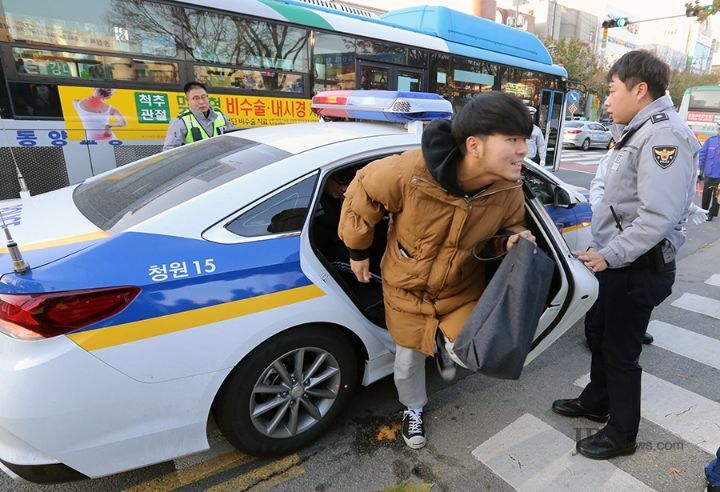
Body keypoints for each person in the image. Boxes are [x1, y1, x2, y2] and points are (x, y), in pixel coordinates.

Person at [338, 91, 536, 450]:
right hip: (406, 287)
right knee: (407, 361)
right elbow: (364, 189)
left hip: (461, 287)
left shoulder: (508, 189)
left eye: (524, 138)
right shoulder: (413, 172)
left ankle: (445, 347)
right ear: (474, 145)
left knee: (477, 350)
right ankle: (413, 408)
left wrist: (509, 240)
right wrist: (357, 249)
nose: (523, 149)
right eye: (512, 139)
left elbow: (504, 230)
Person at [552, 50, 699, 460]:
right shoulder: (636, 130)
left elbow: (658, 216)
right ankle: (597, 400)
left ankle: (622, 434)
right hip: (617, 262)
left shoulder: (662, 136)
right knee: (600, 335)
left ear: (640, 89)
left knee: (621, 351)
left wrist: (609, 254)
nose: (608, 100)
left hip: (635, 266)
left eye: (613, 90)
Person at [163, 82, 235, 151]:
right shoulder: (180, 122)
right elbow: (169, 151)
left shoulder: (221, 115)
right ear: (187, 100)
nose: (201, 102)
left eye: (203, 97)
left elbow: (234, 139)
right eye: (196, 98)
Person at [698, 123, 720, 221]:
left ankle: (711, 214)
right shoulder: (711, 141)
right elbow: (702, 154)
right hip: (709, 173)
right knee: (706, 194)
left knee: (717, 196)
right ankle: (704, 211)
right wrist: (700, 170)